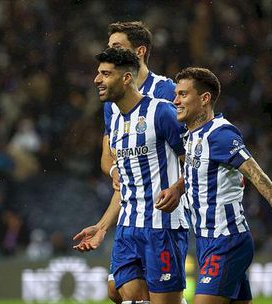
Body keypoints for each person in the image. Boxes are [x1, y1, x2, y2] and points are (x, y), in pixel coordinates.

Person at [173, 67, 272, 304]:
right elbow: (197, 173)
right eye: (176, 94)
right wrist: (178, 188)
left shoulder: (221, 135)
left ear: (205, 99)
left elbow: (256, 174)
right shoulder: (191, 135)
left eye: (183, 94)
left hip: (227, 239)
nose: (176, 100)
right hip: (206, 240)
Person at [75, 21, 179, 304]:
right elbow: (109, 154)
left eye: (117, 48)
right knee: (117, 291)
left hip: (163, 212)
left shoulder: (167, 94)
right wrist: (115, 170)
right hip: (131, 213)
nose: (109, 52)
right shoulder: (112, 104)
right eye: (108, 48)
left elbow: (192, 145)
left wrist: (181, 187)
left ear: (140, 52)